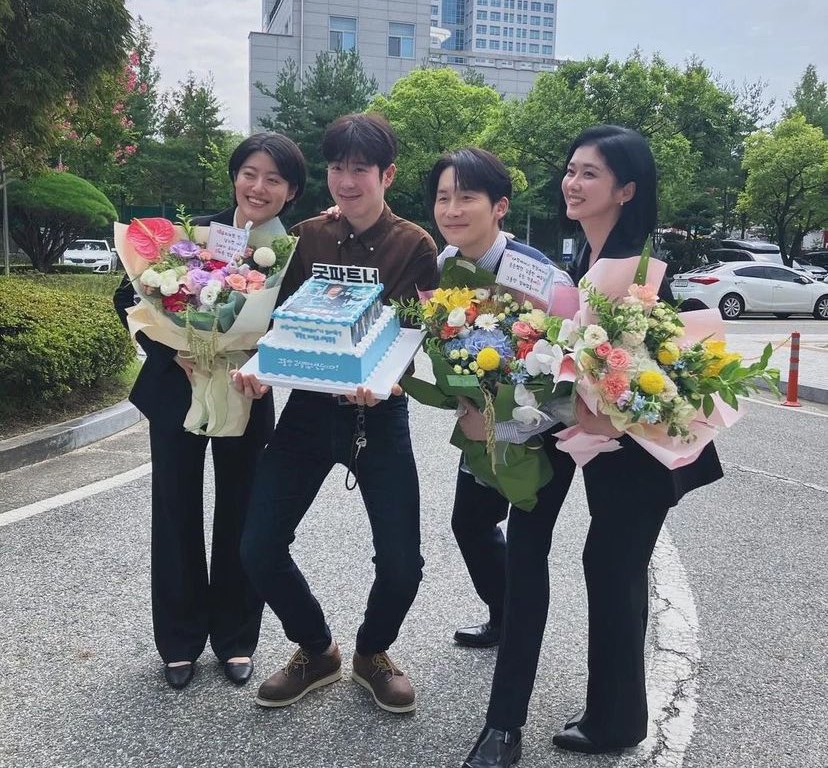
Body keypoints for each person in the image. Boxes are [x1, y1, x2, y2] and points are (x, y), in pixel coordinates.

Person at [460, 126, 724, 767]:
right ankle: (618, 715)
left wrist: (506, 410)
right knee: (614, 572)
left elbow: (591, 379)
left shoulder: (616, 267)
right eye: (571, 170)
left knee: (612, 571)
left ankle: (615, 721)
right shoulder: (602, 257)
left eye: (590, 175)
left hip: (637, 454)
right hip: (625, 450)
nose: (572, 184)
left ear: (626, 191)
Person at [235, 113, 439, 715]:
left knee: (403, 562)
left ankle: (374, 653)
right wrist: (256, 364)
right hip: (305, 414)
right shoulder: (308, 238)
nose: (346, 182)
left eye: (360, 169)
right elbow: (275, 322)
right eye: (336, 168)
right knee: (258, 546)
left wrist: (388, 382)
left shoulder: (414, 246)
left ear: (386, 175)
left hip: (377, 418)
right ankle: (316, 649)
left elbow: (417, 331)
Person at [113, 132, 307, 690]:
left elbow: (297, 325)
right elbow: (129, 297)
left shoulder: (291, 255)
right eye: (250, 172)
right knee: (174, 509)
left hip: (247, 389)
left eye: (274, 178)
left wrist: (264, 361)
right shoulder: (190, 236)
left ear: (291, 191)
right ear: (234, 176)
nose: (259, 186)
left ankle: (236, 637)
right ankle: (178, 639)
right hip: (177, 388)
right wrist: (172, 348)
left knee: (244, 510)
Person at [425, 147, 574, 653]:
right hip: (482, 424)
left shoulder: (537, 275)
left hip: (539, 433)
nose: (452, 210)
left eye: (467, 197)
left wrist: (499, 426)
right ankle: (503, 614)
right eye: (443, 198)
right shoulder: (447, 263)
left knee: (530, 545)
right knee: (469, 522)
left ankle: (520, 637)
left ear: (501, 206)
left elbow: (565, 377)